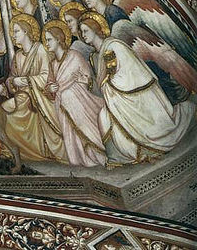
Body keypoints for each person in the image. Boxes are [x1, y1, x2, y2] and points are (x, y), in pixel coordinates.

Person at [79, 12, 195, 165]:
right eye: (81, 32)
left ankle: (148, 145)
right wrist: (89, 83)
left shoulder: (114, 45)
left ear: (96, 29)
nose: (83, 35)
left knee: (111, 114)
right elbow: (101, 88)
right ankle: (121, 155)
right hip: (117, 98)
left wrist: (108, 85)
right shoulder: (94, 58)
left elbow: (131, 72)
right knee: (103, 117)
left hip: (135, 94)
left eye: (85, 30)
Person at [1, 14, 66, 163]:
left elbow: (46, 76)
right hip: (23, 96)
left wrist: (26, 81)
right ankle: (21, 149)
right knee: (4, 109)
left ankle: (33, 149)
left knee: (9, 112)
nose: (13, 35)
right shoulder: (18, 56)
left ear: (26, 31)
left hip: (38, 97)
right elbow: (11, 79)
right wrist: (14, 81)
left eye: (16, 31)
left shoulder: (40, 50)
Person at [43, 21, 106, 167]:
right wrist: (50, 89)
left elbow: (89, 80)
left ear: (58, 39)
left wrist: (81, 81)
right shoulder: (52, 64)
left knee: (87, 129)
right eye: (45, 40)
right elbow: (48, 86)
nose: (46, 43)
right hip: (63, 107)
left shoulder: (75, 56)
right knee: (72, 132)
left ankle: (97, 154)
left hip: (81, 103)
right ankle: (81, 158)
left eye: (49, 40)